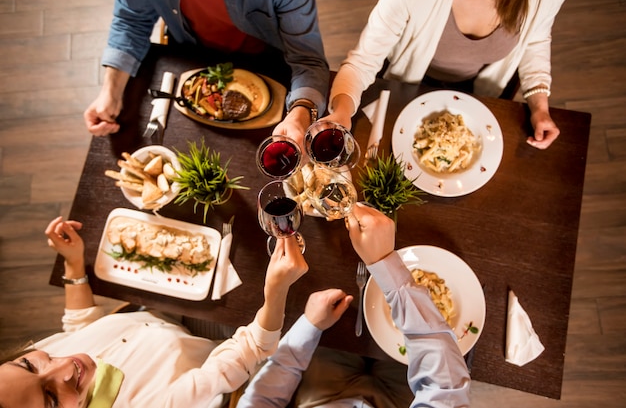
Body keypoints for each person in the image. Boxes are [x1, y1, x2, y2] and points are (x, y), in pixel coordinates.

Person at [0, 216, 308, 408]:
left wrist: (74, 263)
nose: (64, 365)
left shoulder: (37, 364)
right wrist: (275, 290)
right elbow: (252, 348)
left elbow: (78, 331)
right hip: (218, 344)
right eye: (51, 401)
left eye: (28, 364)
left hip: (158, 314)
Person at [237, 203, 471, 407]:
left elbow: (262, 400)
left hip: (322, 395)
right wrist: (384, 263)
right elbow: (446, 390)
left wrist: (309, 325)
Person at [325, 0, 571, 150]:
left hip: (485, 90)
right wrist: (342, 113)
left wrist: (539, 106)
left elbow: (536, 38)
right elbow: (362, 61)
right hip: (408, 82)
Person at [83, 0, 329, 148]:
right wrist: (111, 92)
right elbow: (130, 20)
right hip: (191, 60)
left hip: (270, 69)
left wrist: (302, 111)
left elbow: (308, 60)